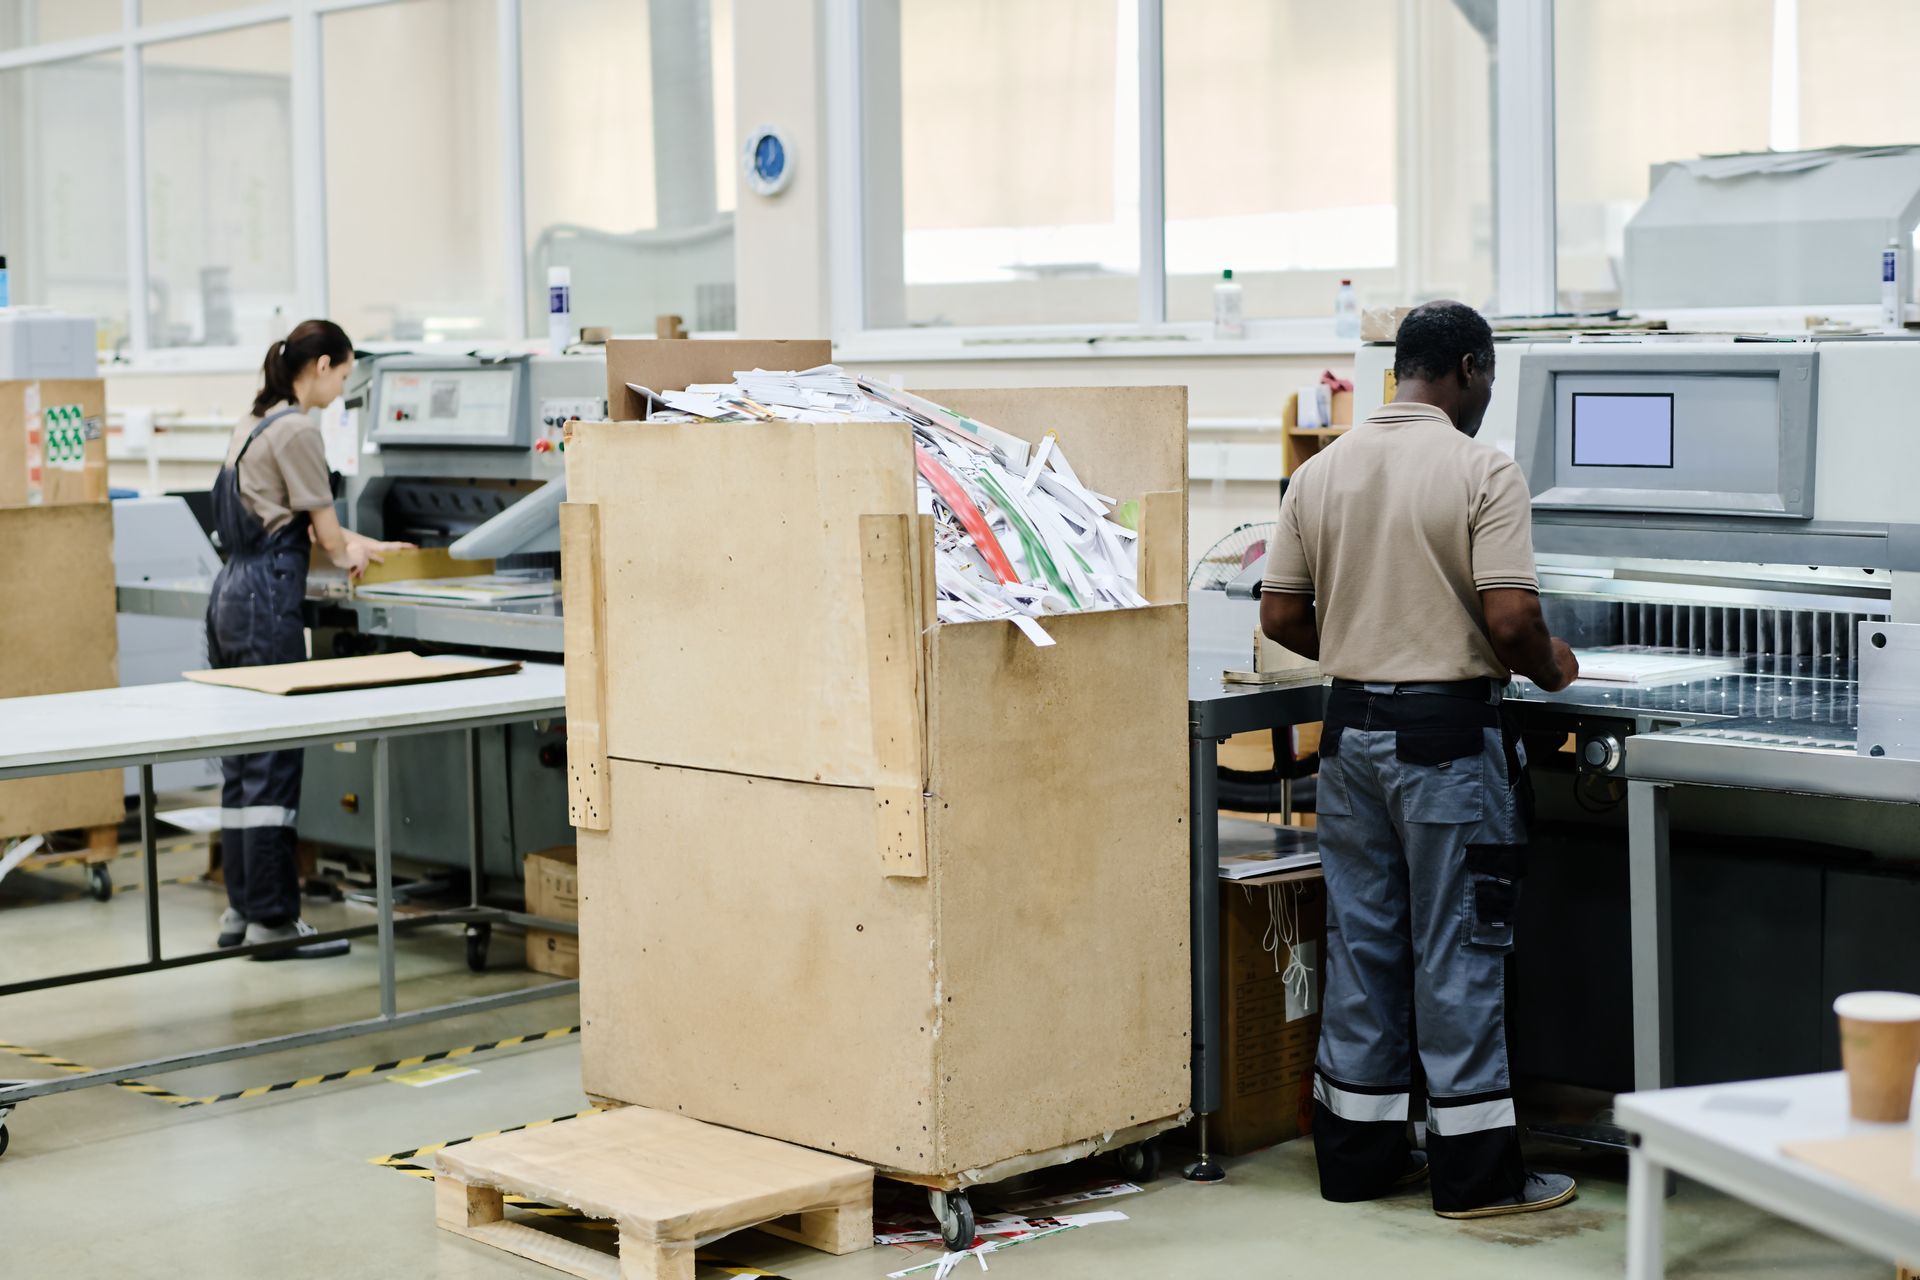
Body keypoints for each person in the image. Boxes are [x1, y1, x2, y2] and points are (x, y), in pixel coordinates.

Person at [1259, 300, 1582, 1219]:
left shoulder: (1320, 472)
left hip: (1350, 736)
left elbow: (1280, 617)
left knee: (1363, 947)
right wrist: (1554, 667)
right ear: (1473, 369)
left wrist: (1369, 643)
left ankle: (1358, 1161)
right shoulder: (1482, 469)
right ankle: (1476, 1180)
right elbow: (1514, 621)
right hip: (1446, 745)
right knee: (1458, 951)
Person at [205, 320, 410, 959]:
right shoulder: (298, 429)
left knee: (243, 762)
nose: (343, 389)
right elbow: (324, 537)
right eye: (346, 376)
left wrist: (365, 546)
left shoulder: (254, 421)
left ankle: (243, 909)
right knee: (273, 760)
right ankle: (273, 921)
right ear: (321, 365)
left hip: (231, 598)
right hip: (267, 602)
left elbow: (295, 524)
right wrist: (360, 551)